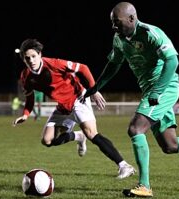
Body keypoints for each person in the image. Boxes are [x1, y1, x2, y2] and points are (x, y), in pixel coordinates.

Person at [83, 2, 179, 197]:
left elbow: (173, 61)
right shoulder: (118, 39)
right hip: (151, 91)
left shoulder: (151, 33)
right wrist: (96, 86)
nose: (114, 26)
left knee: (135, 129)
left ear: (131, 18)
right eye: (112, 22)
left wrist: (157, 91)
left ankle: (144, 185)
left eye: (117, 22)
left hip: (164, 88)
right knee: (170, 146)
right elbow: (114, 64)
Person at [12, 38, 135, 179]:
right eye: (27, 58)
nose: (31, 61)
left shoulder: (54, 64)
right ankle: (78, 136)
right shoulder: (26, 76)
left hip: (78, 98)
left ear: (40, 54)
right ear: (23, 59)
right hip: (62, 107)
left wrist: (93, 90)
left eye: (34, 56)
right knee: (47, 141)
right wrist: (26, 115)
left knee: (92, 133)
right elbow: (30, 98)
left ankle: (124, 166)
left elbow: (83, 68)